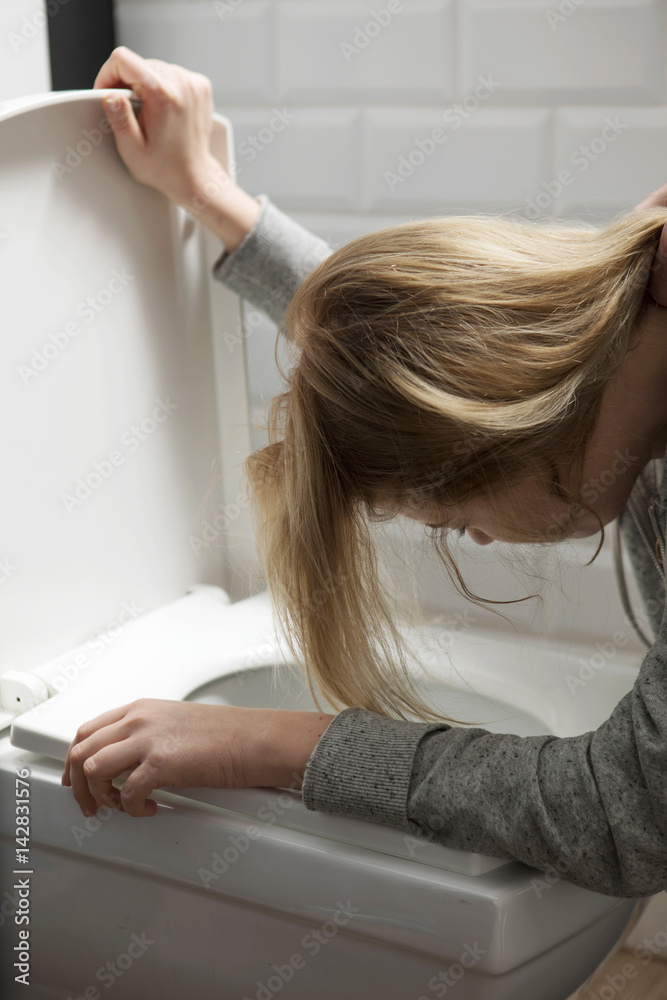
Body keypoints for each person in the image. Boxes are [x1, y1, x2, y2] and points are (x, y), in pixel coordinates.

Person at [62, 45, 667, 899]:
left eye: (451, 520)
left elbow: (622, 814)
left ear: (481, 430)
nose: (477, 539)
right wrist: (208, 194)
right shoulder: (634, 301)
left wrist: (270, 742)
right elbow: (415, 358)